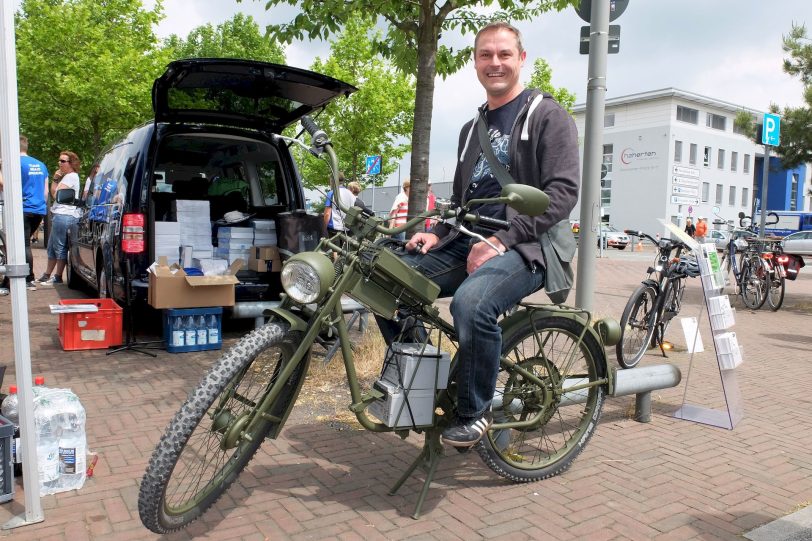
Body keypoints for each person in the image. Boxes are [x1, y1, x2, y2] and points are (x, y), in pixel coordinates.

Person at [383, 22, 579, 448]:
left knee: (471, 305)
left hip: (528, 247)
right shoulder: (470, 129)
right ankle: (426, 378)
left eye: (504, 54)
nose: (495, 63)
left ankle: (474, 411)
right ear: (474, 62)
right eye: (485, 55)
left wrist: (502, 241)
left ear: (521, 59)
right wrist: (436, 233)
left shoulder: (548, 115)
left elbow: (562, 195)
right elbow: (460, 201)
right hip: (469, 239)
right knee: (381, 275)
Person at [0, 136, 49, 296]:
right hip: (39, 209)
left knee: (22, 244)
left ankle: (28, 279)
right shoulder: (41, 165)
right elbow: (46, 192)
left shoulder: (15, 164)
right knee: (24, 243)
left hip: (23, 207)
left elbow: (4, 184)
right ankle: (24, 279)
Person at [35, 151, 82, 286]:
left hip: (64, 215)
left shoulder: (71, 177)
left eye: (63, 161)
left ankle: (57, 276)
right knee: (52, 246)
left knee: (59, 246)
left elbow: (56, 194)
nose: (59, 163)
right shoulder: (69, 177)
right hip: (62, 215)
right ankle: (47, 274)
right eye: (59, 160)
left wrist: (55, 179)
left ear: (71, 163)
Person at [323, 172, 355, 236]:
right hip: (347, 229)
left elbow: (327, 214)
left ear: (332, 180)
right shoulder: (351, 194)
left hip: (334, 229)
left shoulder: (332, 193)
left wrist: (323, 229)